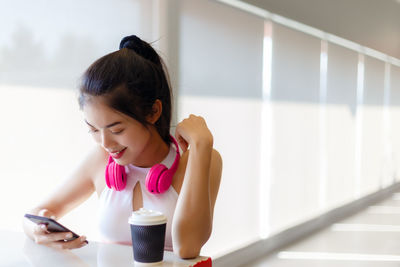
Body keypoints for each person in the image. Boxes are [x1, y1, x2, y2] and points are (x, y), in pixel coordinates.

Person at [22, 35, 223, 259]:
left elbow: (187, 248)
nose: (105, 144)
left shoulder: (199, 158)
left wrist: (202, 145)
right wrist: (37, 231)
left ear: (154, 111)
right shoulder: (99, 159)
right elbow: (34, 215)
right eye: (94, 130)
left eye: (116, 130)